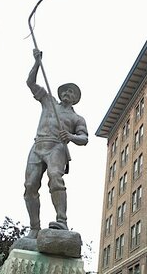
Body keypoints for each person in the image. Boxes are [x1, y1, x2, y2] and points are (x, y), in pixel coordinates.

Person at [24, 49, 88, 238]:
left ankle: (62, 220)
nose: (68, 93)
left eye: (72, 92)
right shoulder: (48, 101)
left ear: (75, 98)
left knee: (54, 176)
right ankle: (34, 227)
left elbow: (84, 139)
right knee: (30, 185)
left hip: (57, 147)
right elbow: (30, 83)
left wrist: (70, 136)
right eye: (66, 90)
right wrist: (37, 62)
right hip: (38, 146)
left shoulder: (77, 118)